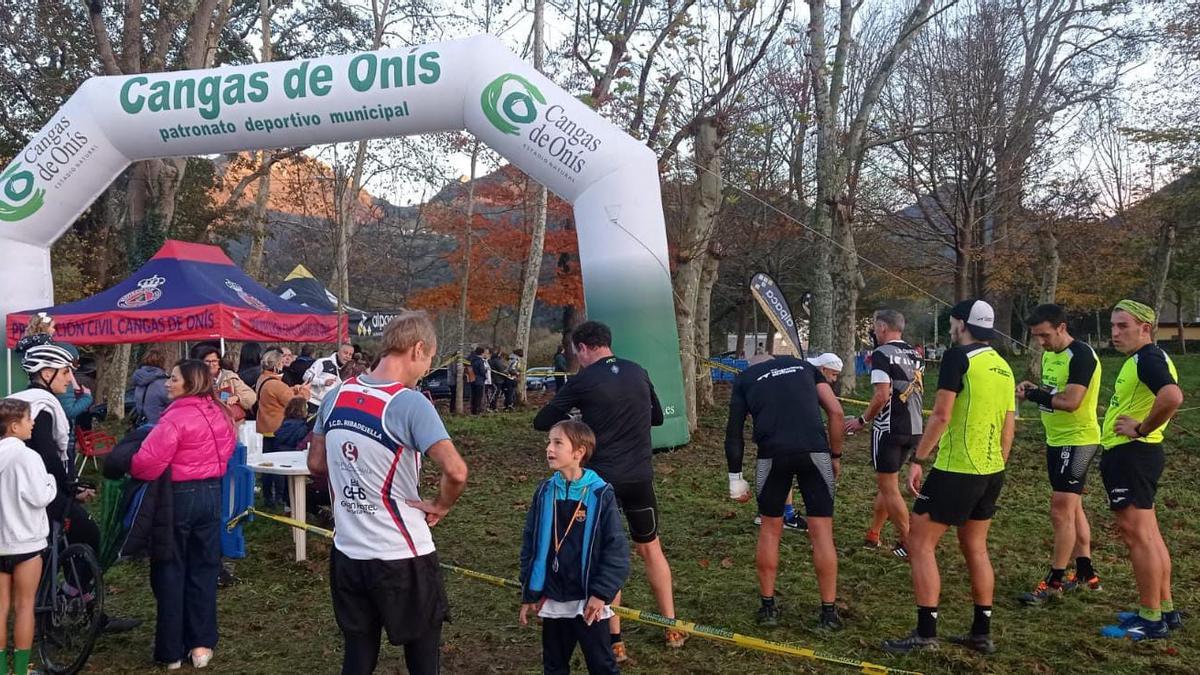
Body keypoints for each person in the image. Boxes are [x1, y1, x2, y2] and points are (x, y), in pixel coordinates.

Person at [307, 311, 468, 675]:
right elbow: (456, 471)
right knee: (424, 659)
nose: (425, 369)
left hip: (348, 552)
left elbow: (316, 463)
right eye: (428, 360)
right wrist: (441, 505)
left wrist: (355, 478)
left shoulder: (335, 395)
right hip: (403, 555)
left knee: (358, 655)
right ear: (418, 349)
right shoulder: (410, 403)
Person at [533, 321, 685, 660]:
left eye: (577, 353)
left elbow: (543, 421)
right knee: (651, 549)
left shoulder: (583, 380)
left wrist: (581, 418)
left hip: (602, 484)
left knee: (604, 555)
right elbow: (657, 417)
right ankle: (672, 625)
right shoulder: (638, 371)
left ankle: (615, 638)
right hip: (640, 477)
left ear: (583, 348)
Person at [882, 299, 1014, 655]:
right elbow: (1008, 425)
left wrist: (918, 458)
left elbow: (941, 415)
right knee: (976, 547)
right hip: (990, 471)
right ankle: (981, 632)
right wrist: (997, 465)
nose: (953, 328)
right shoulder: (1003, 365)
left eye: (955, 323)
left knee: (919, 545)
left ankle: (926, 634)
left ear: (960, 324)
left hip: (957, 469)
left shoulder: (959, 357)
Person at [11, 344, 140, 635]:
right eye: (66, 372)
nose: (70, 379)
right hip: (42, 493)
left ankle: (58, 611)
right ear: (45, 372)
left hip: (22, 494)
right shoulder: (41, 405)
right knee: (86, 535)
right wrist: (69, 486)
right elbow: (45, 453)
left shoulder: (21, 399)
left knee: (47, 552)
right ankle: (74, 602)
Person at [725, 352, 845, 630]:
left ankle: (768, 608)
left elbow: (734, 433)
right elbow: (836, 412)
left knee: (770, 528)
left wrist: (735, 480)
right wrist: (835, 455)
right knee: (822, 531)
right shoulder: (804, 367)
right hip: (815, 452)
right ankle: (828, 613)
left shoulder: (745, 378)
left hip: (772, 455)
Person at [131, 359, 236, 669]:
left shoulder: (174, 419)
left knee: (170, 569)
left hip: (178, 497)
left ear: (190, 383)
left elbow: (146, 463)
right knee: (204, 568)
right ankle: (202, 645)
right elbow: (230, 448)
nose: (167, 383)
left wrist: (132, 460)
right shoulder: (221, 413)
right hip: (212, 493)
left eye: (174, 378)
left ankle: (171, 650)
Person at [1095, 300, 1184, 640]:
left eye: (1123, 326)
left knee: (1138, 537)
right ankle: (1164, 609)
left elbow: (1172, 397)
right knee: (1150, 535)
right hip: (1138, 456)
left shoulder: (1148, 358)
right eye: (1113, 326)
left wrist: (1142, 428)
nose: (1115, 333)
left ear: (1145, 329)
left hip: (1132, 455)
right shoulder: (1147, 358)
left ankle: (1150, 619)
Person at [520, 420, 629, 675]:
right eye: (549, 441)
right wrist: (530, 593)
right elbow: (530, 544)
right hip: (554, 599)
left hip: (588, 602)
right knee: (554, 665)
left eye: (558, 443)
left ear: (578, 452)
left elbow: (617, 552)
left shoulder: (600, 494)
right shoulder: (545, 492)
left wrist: (601, 593)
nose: (549, 448)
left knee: (601, 665)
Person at [1015, 304, 1104, 605]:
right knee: (1073, 508)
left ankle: (1054, 581)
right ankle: (1086, 573)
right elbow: (1055, 391)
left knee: (1061, 510)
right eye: (1036, 337)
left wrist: (1035, 395)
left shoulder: (1080, 356)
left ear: (1062, 327)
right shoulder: (1051, 355)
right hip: (1057, 439)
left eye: (1045, 335)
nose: (1041, 342)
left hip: (1079, 442)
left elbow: (1071, 401)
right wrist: (1036, 389)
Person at [845, 309, 924, 559]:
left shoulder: (881, 354)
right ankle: (874, 533)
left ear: (882, 327)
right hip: (915, 427)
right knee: (886, 484)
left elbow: (882, 394)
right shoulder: (916, 354)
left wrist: (862, 420)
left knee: (889, 487)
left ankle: (910, 542)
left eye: (874, 327)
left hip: (889, 427)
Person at [0, 398, 56, 675]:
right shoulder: (28, 456)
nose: (32, 423)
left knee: (0, 610)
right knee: (24, 607)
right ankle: (21, 670)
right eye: (28, 419)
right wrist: (52, 482)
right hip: (26, 543)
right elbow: (39, 496)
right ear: (13, 426)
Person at [256, 349, 300, 508]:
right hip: (278, 428)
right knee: (280, 466)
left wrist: (291, 390)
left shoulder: (262, 379)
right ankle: (280, 499)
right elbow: (295, 403)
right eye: (281, 363)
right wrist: (303, 391)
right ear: (275, 365)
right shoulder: (276, 384)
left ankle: (268, 496)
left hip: (265, 427)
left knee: (267, 466)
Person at [196, 346, 256, 422]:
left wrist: (237, 398)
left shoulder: (229, 377)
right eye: (207, 361)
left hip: (229, 422)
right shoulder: (196, 379)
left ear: (219, 363)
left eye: (214, 361)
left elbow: (251, 396)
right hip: (205, 421)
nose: (211, 364)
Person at [304, 343, 354, 414]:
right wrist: (323, 382)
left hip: (331, 407)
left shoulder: (349, 370)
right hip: (313, 403)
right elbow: (306, 377)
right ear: (339, 352)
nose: (347, 356)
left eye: (350, 354)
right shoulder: (323, 362)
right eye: (345, 353)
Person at [132, 348, 172, 425]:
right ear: (162, 362)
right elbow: (173, 403)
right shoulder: (164, 383)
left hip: (142, 424)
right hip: (159, 426)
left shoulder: (139, 381)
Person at [469, 347, 488, 415]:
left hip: (472, 379)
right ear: (482, 353)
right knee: (478, 397)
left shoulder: (472, 360)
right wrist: (485, 372)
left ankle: (473, 410)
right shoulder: (480, 361)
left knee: (473, 396)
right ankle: (477, 411)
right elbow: (482, 371)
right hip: (479, 380)